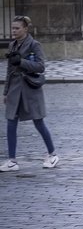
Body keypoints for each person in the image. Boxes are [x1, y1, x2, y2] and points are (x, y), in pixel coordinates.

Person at [1, 15, 58, 172]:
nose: (14, 31)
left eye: (17, 28)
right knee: (10, 122)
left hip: (30, 89)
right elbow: (9, 70)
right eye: (12, 28)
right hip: (14, 89)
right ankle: (12, 161)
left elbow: (40, 66)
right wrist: (5, 91)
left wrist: (22, 62)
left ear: (25, 29)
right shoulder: (12, 45)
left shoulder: (34, 45)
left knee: (38, 122)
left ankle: (52, 154)